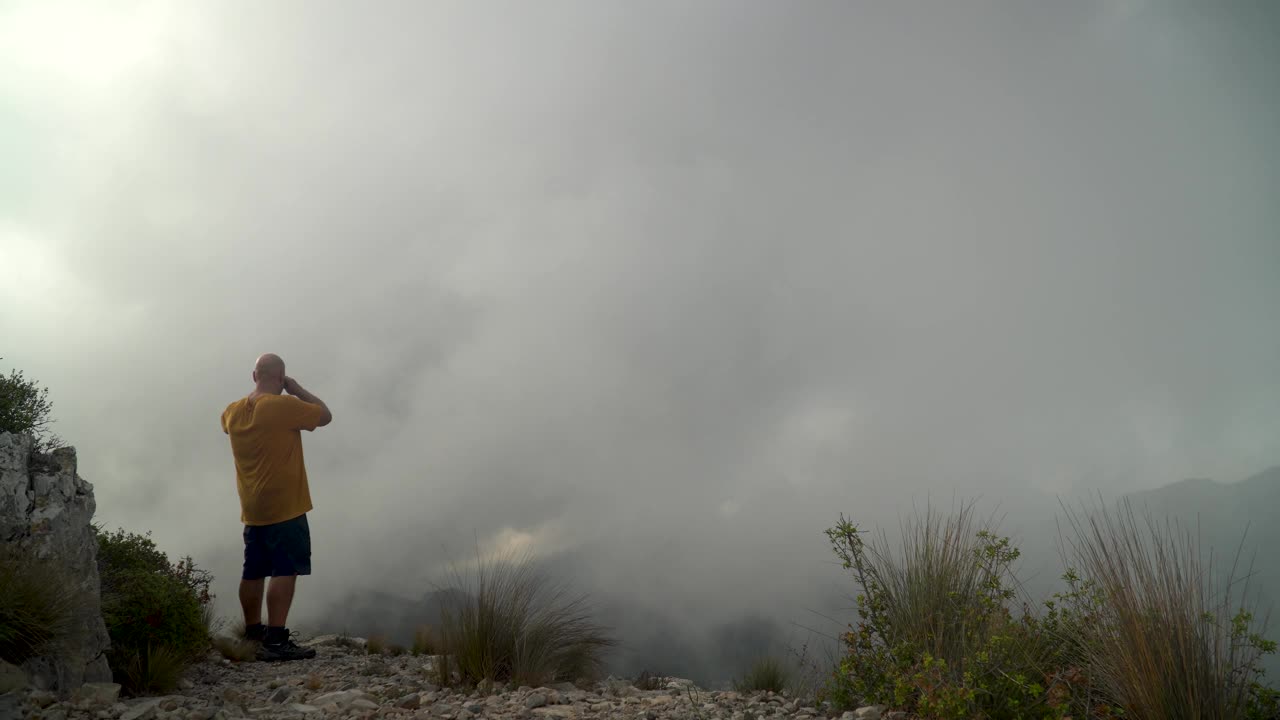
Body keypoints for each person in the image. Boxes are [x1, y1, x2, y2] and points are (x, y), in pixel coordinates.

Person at [221, 353, 332, 662]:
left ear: (253, 375)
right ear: (281, 377)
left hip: (253, 506)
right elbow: (324, 416)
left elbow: (225, 425)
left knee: (253, 570)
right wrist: (295, 389)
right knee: (285, 569)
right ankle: (276, 641)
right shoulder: (282, 406)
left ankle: (253, 633)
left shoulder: (232, 412)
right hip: (286, 505)